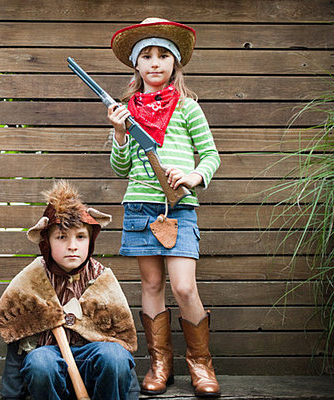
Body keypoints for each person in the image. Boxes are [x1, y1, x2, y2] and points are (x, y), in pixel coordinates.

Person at [108, 18, 222, 397]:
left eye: (162, 55)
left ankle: (200, 365)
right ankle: (160, 363)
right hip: (141, 205)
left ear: (174, 63)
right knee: (152, 284)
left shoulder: (188, 107)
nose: (155, 63)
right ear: (136, 65)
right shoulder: (126, 110)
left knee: (184, 287)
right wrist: (121, 133)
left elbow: (210, 156)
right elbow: (120, 167)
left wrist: (192, 178)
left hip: (180, 206)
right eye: (147, 56)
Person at [0, 180, 140, 400]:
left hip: (93, 366)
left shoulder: (101, 278)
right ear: (45, 241)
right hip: (51, 367)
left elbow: (119, 340)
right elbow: (16, 340)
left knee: (113, 356)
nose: (72, 246)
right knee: (40, 362)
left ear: (90, 240)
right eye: (61, 237)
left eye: (80, 236)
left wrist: (132, 394)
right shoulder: (33, 279)